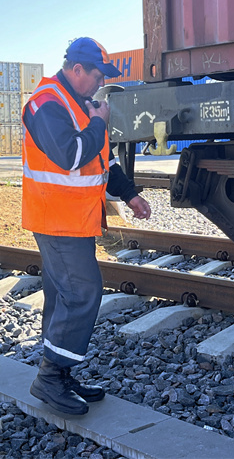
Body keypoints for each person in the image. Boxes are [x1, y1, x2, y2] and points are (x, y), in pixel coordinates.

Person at [21, 37, 152, 415]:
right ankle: (49, 378)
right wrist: (97, 123)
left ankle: (59, 376)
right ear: (76, 69)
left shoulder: (77, 103)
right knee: (82, 293)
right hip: (56, 220)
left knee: (63, 295)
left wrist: (129, 195)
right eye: (96, 75)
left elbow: (102, 163)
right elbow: (71, 156)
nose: (99, 83)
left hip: (73, 220)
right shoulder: (46, 103)